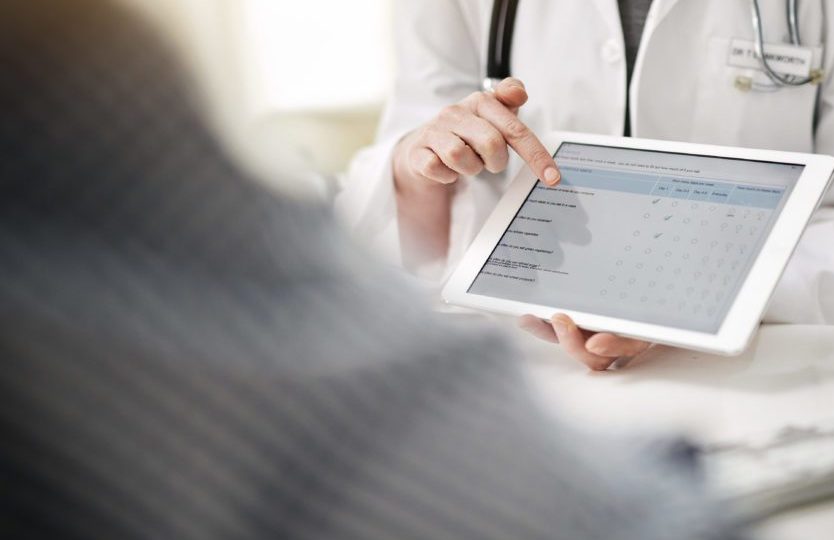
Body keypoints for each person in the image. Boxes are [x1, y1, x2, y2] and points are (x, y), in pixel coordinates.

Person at [0, 1, 742, 538]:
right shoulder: (69, 65)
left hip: (765, 359)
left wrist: (689, 285)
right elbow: (364, 266)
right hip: (548, 392)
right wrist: (418, 174)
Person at [336, 0, 834, 370]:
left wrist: (710, 297)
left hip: (758, 376)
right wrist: (417, 165)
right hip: (523, 380)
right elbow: (414, 183)